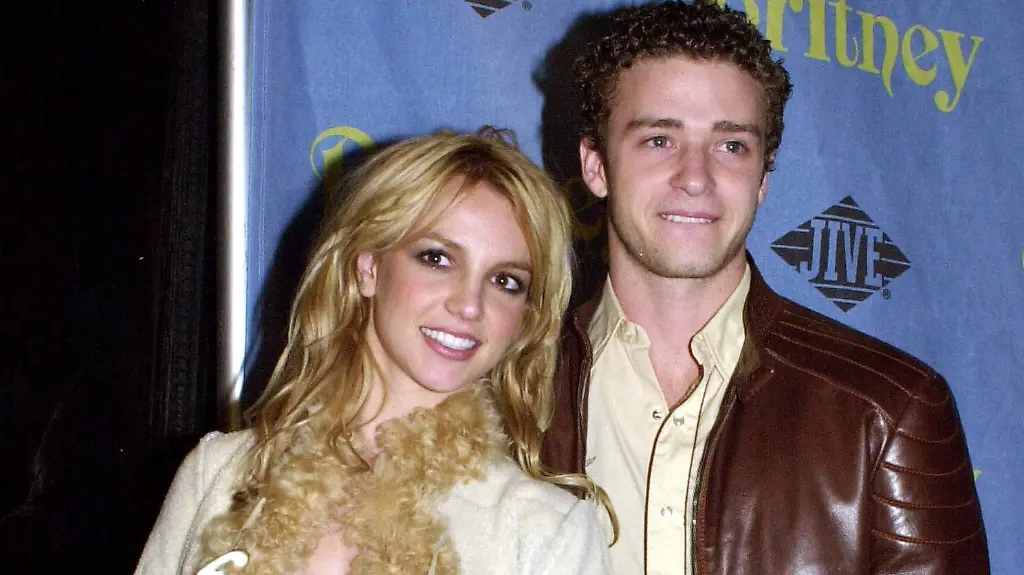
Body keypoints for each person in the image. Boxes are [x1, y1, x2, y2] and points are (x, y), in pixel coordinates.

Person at [540, 1, 989, 574]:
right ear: (596, 165)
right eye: (659, 140)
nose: (695, 178)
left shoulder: (887, 411)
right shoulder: (512, 390)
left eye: (731, 145)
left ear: (763, 179)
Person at [135, 128, 612, 575]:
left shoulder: (545, 532)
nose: (470, 305)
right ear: (368, 267)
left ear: (525, 316)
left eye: (505, 281)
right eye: (437, 258)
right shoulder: (217, 474)